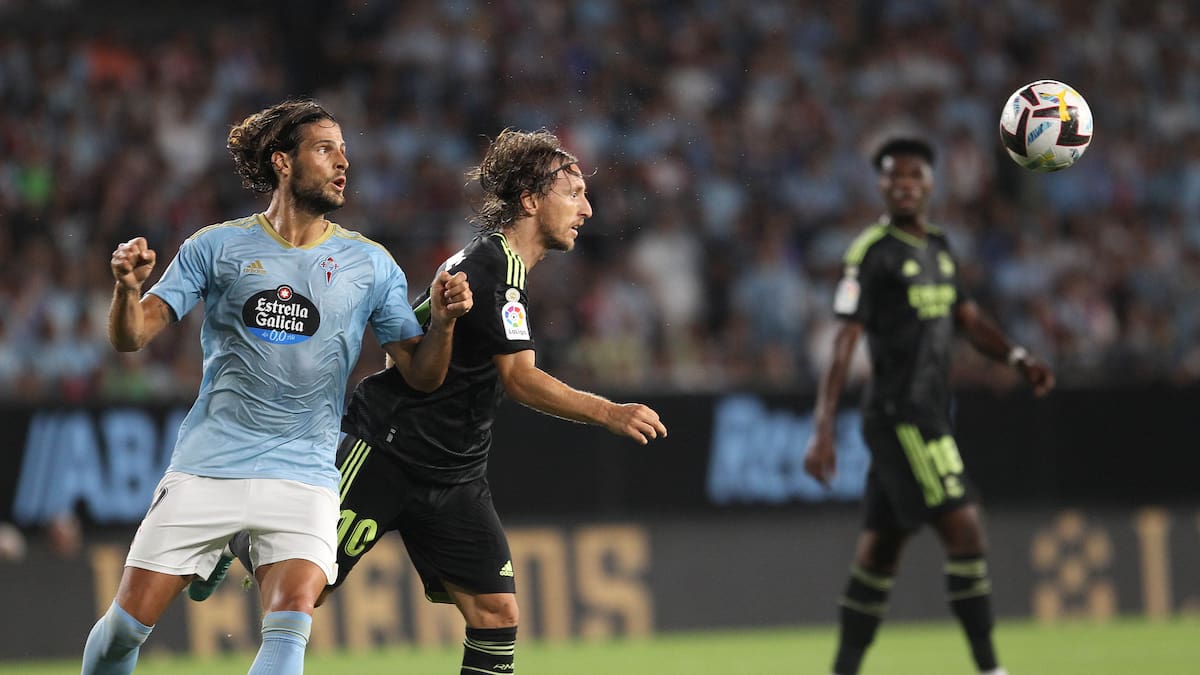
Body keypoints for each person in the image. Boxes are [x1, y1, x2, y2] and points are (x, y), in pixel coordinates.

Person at [196, 128, 668, 674]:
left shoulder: (484, 266)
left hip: (453, 473)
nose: (587, 207)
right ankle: (236, 537)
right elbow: (519, 378)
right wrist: (610, 411)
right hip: (386, 455)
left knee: (495, 614)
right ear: (532, 201)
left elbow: (406, 348)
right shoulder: (492, 268)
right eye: (574, 193)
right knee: (306, 586)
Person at [83, 99, 473, 675]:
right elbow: (132, 336)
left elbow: (422, 373)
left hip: (307, 471)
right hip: (210, 464)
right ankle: (221, 546)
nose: (343, 161)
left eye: (344, 150)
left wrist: (442, 324)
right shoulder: (215, 247)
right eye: (325, 148)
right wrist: (124, 289)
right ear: (282, 162)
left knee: (291, 621)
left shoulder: (371, 264)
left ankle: (228, 551)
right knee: (125, 629)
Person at [803, 137, 1054, 675]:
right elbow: (844, 341)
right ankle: (991, 670)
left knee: (880, 552)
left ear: (931, 184)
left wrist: (1016, 355)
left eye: (914, 177)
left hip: (932, 411)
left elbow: (968, 319)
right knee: (965, 529)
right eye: (894, 178)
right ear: (881, 186)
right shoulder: (871, 252)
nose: (905, 186)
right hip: (902, 414)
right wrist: (822, 428)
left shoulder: (939, 246)